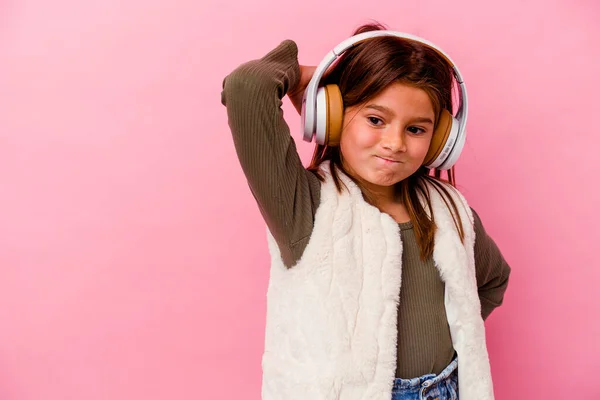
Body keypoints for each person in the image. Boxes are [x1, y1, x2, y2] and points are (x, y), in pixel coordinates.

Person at [220, 21, 511, 400]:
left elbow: (491, 280)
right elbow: (246, 87)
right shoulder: (304, 206)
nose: (394, 143)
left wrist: (452, 337)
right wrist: (310, 78)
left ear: (441, 138)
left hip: (444, 390)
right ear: (334, 117)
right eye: (376, 119)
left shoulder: (448, 209)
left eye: (417, 129)